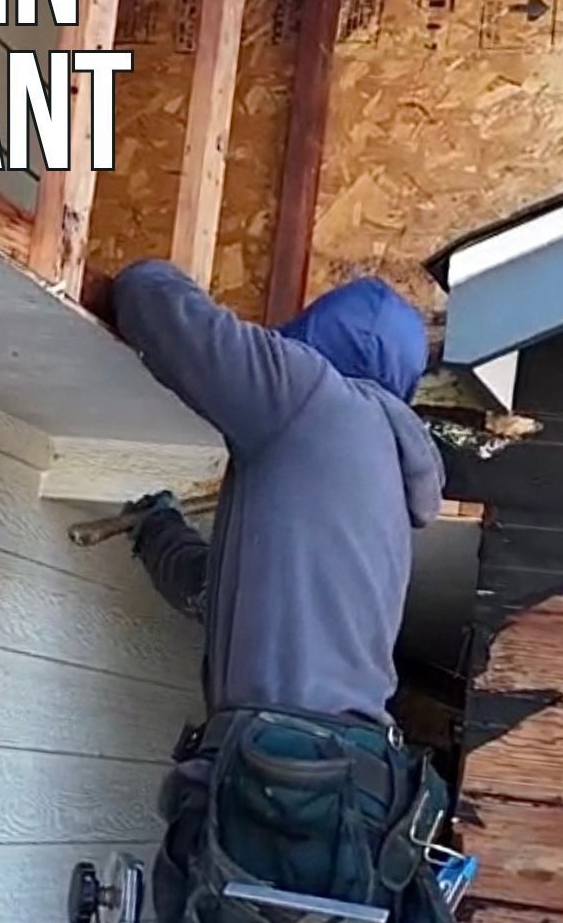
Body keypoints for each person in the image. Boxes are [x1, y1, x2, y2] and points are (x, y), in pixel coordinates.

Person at [89, 259, 456, 923]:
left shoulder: (310, 396)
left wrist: (134, 254)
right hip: (337, 781)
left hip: (289, 772)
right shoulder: (383, 480)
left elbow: (155, 307)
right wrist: (157, 531)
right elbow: (221, 593)